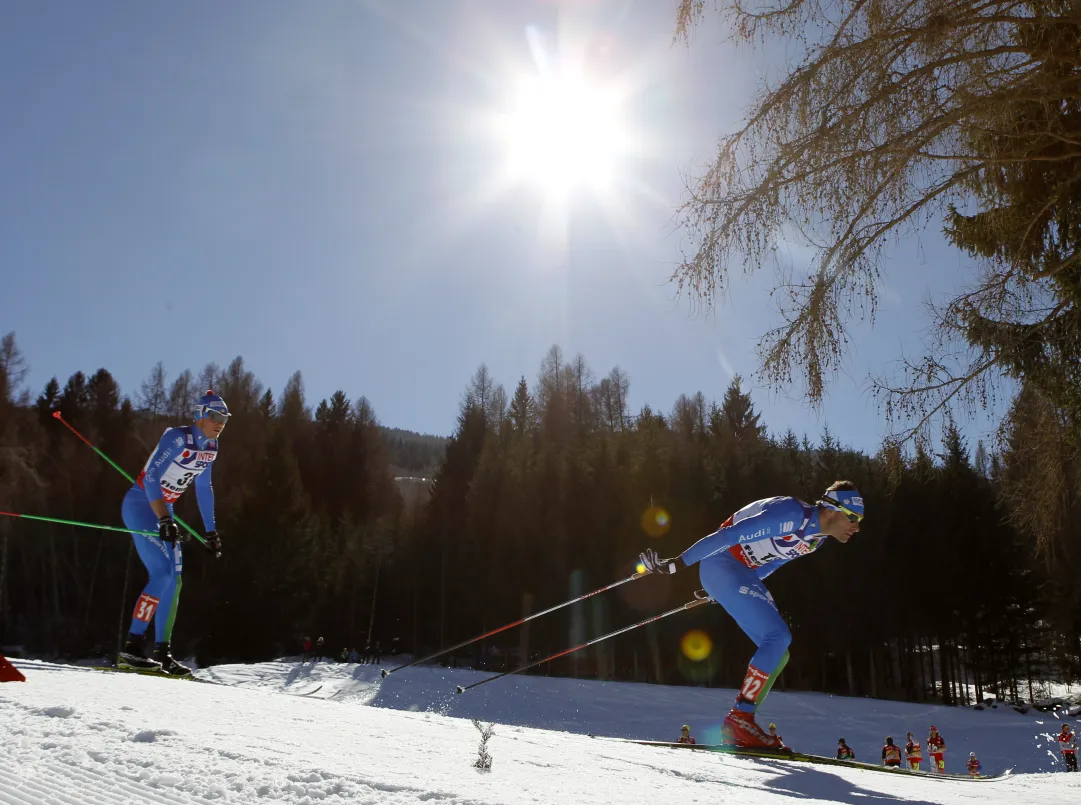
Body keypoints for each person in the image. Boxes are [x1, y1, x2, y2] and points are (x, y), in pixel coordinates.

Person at [638, 481, 864, 748]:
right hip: (720, 561)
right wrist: (677, 564)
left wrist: (723, 591)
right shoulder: (791, 514)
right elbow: (727, 536)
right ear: (830, 509)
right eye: (852, 517)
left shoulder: (815, 541)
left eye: (859, 520)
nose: (856, 526)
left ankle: (743, 719)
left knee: (780, 649)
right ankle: (740, 718)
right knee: (777, 636)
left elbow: (773, 562)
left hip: (738, 573)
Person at [116, 390, 228, 676]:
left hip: (166, 511)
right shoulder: (178, 438)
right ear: (201, 416)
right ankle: (131, 647)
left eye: (225, 419)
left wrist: (211, 531)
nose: (220, 424)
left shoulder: (211, 448)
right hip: (142, 505)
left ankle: (162, 652)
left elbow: (204, 488)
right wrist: (164, 517)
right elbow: (152, 477)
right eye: (215, 417)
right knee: (163, 574)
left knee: (175, 581)